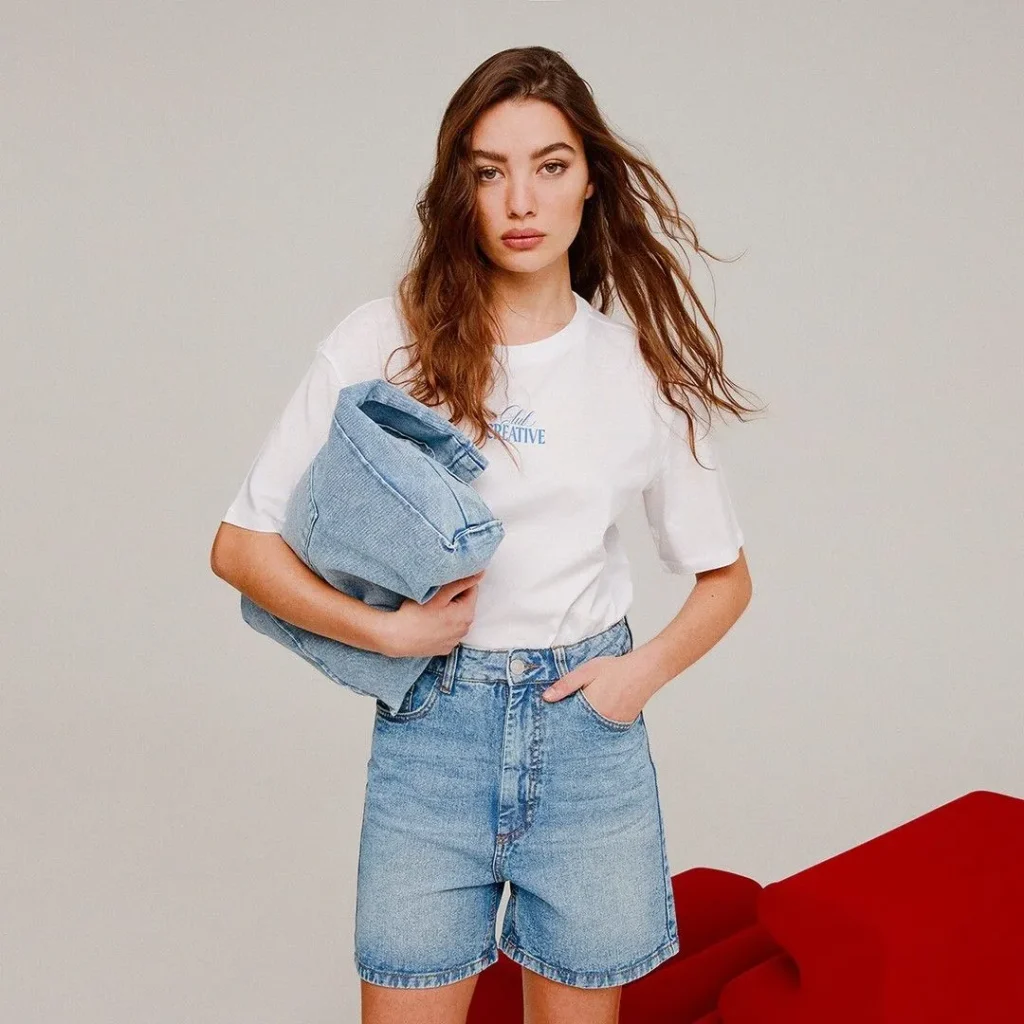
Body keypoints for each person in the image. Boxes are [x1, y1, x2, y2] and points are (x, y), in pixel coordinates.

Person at [210, 44, 760, 1024]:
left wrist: (633, 679)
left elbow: (725, 576)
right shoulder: (383, 341)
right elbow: (240, 546)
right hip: (434, 735)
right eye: (488, 170)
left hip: (587, 738)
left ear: (589, 179)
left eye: (549, 165)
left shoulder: (639, 369)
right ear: (456, 188)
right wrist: (384, 634)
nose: (521, 200)